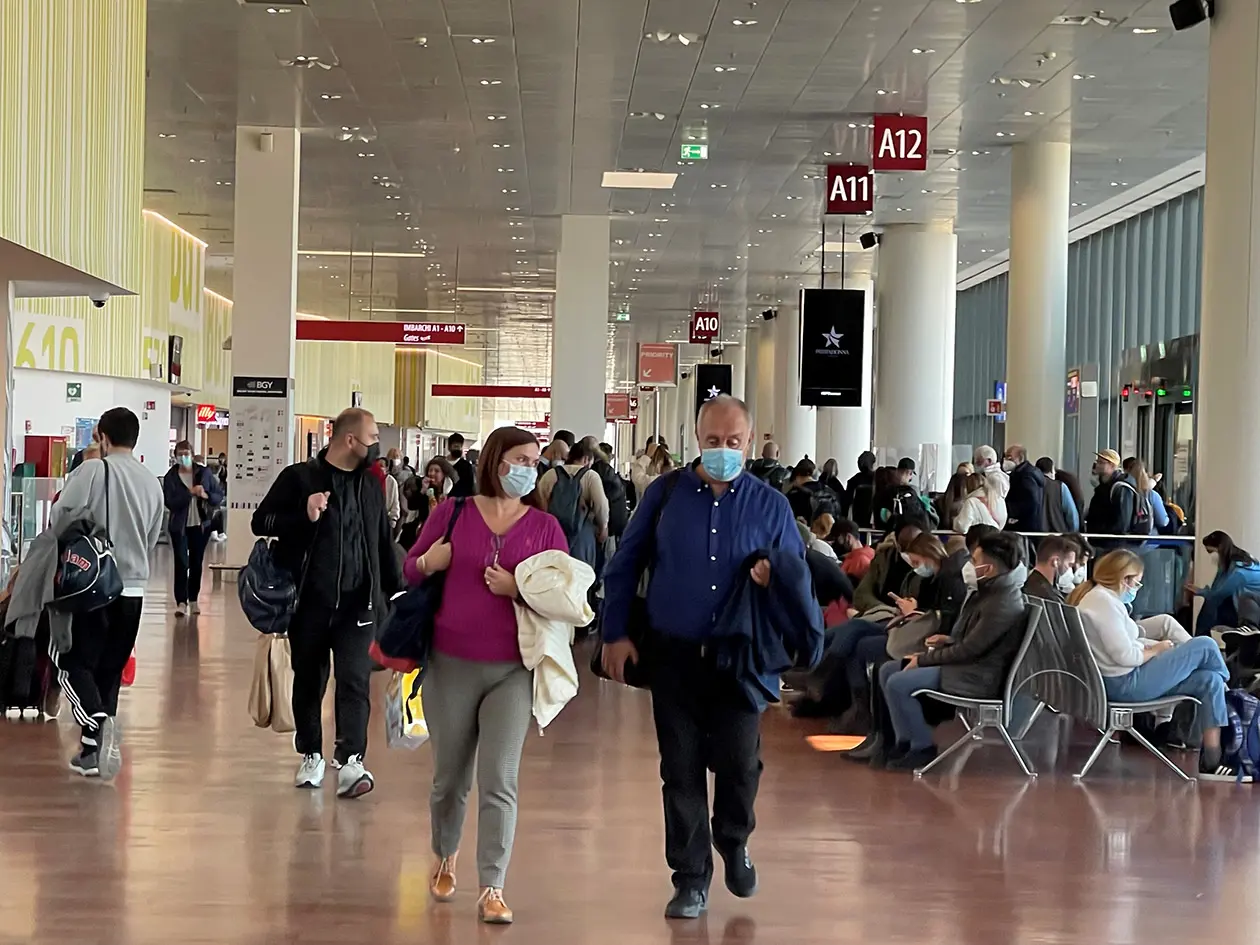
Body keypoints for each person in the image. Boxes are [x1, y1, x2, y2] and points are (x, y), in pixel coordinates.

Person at [601, 395, 820, 920]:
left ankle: (734, 840)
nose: (723, 450)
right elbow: (626, 563)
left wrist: (774, 581)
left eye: (733, 442)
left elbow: (797, 580)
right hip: (673, 655)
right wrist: (613, 632)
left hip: (739, 659)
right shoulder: (666, 494)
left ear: (750, 440)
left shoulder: (770, 505)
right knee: (679, 769)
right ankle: (690, 877)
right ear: (697, 439)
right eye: (713, 441)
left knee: (740, 765)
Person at [404, 427, 568, 925]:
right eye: (520, 458)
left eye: (535, 461)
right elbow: (410, 569)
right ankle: (444, 852)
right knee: (449, 779)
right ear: (497, 461)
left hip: (512, 670)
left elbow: (565, 596)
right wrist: (433, 560)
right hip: (451, 663)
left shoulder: (545, 527)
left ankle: (492, 885)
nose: (528, 469)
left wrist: (518, 587)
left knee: (500, 778)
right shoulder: (452, 513)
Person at [252, 407, 403, 798]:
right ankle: (311, 754)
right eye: (372, 439)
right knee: (309, 680)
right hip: (309, 602)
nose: (376, 447)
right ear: (349, 440)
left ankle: (352, 760)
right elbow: (261, 521)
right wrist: (303, 514)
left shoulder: (372, 486)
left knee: (354, 680)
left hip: (358, 604)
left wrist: (398, 591)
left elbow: (381, 544)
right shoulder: (299, 478)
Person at [48, 407, 164, 779]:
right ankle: (93, 752)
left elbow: (61, 517)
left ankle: (96, 723)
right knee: (110, 669)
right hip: (133, 588)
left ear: (101, 434)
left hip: (94, 586)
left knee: (73, 660)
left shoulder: (93, 470)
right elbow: (152, 536)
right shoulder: (151, 481)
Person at [1070, 549, 1238, 781]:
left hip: (1118, 680)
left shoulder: (1100, 599)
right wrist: (1156, 650)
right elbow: (1126, 656)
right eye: (1137, 582)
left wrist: (1158, 649)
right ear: (1124, 579)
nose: (1137, 588)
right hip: (1126, 684)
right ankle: (1235, 700)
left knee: (1210, 680)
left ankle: (1212, 759)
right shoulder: (1104, 604)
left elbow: (1126, 643)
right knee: (1206, 645)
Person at [879, 531, 1029, 771]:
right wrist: (948, 640)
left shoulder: (1003, 602)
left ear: (989, 568)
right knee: (888, 670)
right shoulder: (991, 591)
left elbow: (970, 650)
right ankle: (902, 740)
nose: (970, 565)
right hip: (967, 664)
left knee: (898, 683)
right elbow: (974, 641)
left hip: (977, 676)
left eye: (976, 561)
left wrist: (924, 660)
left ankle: (922, 746)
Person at [162, 439, 224, 617]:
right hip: (179, 526)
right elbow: (170, 501)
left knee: (196, 562)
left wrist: (205, 494)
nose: (184, 458)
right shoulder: (171, 477)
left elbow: (218, 495)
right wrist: (188, 494)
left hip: (200, 525)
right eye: (180, 455)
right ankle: (181, 601)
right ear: (175, 457)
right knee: (181, 562)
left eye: (186, 454)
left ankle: (194, 598)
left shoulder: (203, 473)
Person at [536, 436, 609, 568]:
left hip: (554, 531)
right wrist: (603, 527)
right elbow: (601, 506)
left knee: (555, 570)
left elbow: (540, 501)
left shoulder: (551, 474)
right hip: (582, 533)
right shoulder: (590, 476)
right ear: (586, 459)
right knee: (581, 573)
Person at [1188, 530, 1260, 633]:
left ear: (1220, 549)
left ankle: (1200, 637)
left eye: (1211, 551)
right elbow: (1216, 588)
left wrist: (1201, 592)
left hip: (1250, 612)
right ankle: (1202, 638)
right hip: (1243, 607)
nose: (1211, 556)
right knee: (1211, 604)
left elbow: (1219, 594)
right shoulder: (1234, 563)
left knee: (1211, 605)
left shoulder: (1240, 572)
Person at [400, 457, 458, 549]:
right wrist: (423, 490)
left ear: (444, 474)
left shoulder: (452, 492)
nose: (432, 473)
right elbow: (412, 506)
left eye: (436, 471)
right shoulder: (423, 487)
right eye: (430, 470)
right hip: (424, 532)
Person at [1084, 449, 1141, 538]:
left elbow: (1122, 522)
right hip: (1100, 539)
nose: (1097, 465)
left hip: (1112, 542)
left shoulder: (1121, 488)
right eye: (1097, 461)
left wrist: (1102, 532)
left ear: (1112, 465)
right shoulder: (1103, 486)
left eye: (1101, 462)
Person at [1022, 534, 1078, 602]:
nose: (1071, 569)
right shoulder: (1050, 598)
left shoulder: (1026, 584)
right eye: (1070, 564)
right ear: (1055, 561)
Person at [1002, 444, 1046, 531]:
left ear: (1020, 458)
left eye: (1009, 457)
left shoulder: (1025, 476)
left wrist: (1011, 512)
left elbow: (1031, 500)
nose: (1005, 460)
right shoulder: (1028, 472)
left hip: (1023, 525)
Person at [1122, 456, 1168, 533]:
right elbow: (1163, 521)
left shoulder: (1120, 489)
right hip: (1147, 541)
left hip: (1121, 539)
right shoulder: (1152, 495)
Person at [1035, 457, 1080, 532]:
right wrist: (1072, 532)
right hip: (1057, 535)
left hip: (1034, 535)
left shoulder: (1031, 485)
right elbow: (1072, 514)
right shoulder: (1060, 487)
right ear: (1052, 470)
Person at [973, 445, 1010, 527]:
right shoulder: (988, 476)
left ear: (989, 460)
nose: (976, 464)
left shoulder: (996, 478)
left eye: (979, 461)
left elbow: (996, 500)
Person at [846, 451, 878, 528]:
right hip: (874, 521)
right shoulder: (878, 480)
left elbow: (847, 502)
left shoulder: (853, 481)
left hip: (856, 520)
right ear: (873, 463)